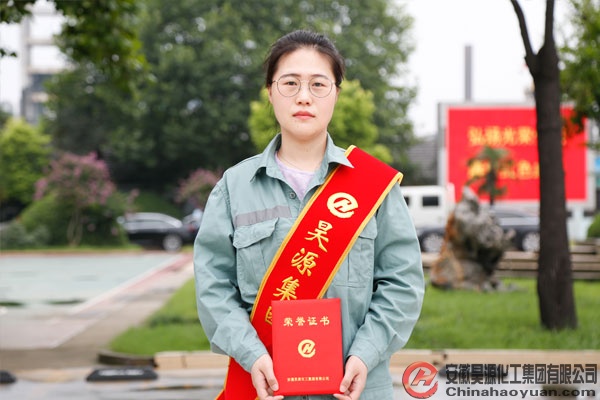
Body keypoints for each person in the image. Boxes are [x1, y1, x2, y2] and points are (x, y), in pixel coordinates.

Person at [194, 30, 424, 400]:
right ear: (270, 93)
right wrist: (252, 355)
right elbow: (214, 287)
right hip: (263, 388)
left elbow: (402, 284)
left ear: (336, 94)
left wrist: (365, 354)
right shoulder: (234, 188)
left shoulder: (375, 187)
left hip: (356, 388)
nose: (304, 96)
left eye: (318, 84)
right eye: (290, 83)